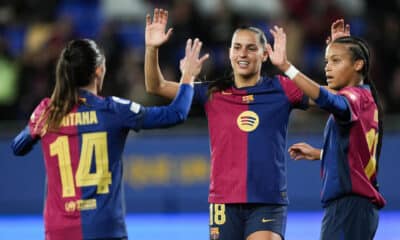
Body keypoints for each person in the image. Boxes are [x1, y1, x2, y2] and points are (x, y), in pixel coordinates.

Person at [11, 37, 207, 240]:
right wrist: (188, 77)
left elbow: (18, 147)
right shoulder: (113, 110)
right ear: (98, 70)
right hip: (105, 229)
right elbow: (176, 114)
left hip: (59, 231)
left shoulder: (46, 112)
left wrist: (37, 122)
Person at [144, 8, 313, 240]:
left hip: (267, 200)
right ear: (229, 53)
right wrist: (152, 49)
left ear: (265, 55)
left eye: (251, 48)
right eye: (237, 47)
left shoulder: (282, 88)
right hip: (223, 202)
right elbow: (156, 86)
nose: (243, 53)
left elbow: (326, 99)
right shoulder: (212, 92)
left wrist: (288, 67)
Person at [266, 20, 386, 239]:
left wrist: (287, 67)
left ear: (358, 64)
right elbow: (358, 153)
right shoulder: (366, 99)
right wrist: (321, 153)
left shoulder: (351, 98)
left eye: (336, 60)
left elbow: (326, 99)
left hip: (348, 208)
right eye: (327, 61)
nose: (327, 67)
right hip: (358, 209)